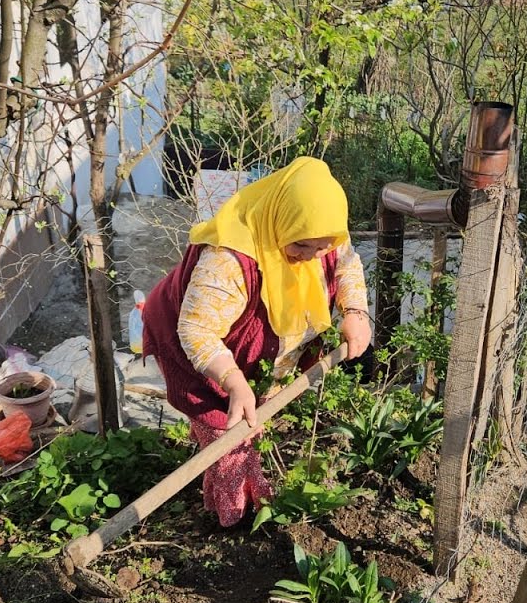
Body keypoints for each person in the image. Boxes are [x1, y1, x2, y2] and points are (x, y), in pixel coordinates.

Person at [141, 157, 371, 527]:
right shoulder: (229, 259)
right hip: (197, 351)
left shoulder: (321, 234)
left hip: (245, 353)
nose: (311, 258)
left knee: (245, 431)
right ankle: (234, 522)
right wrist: (234, 382)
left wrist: (356, 311)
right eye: (301, 246)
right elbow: (197, 331)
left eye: (321, 248)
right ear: (283, 220)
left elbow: (347, 264)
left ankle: (227, 498)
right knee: (230, 440)